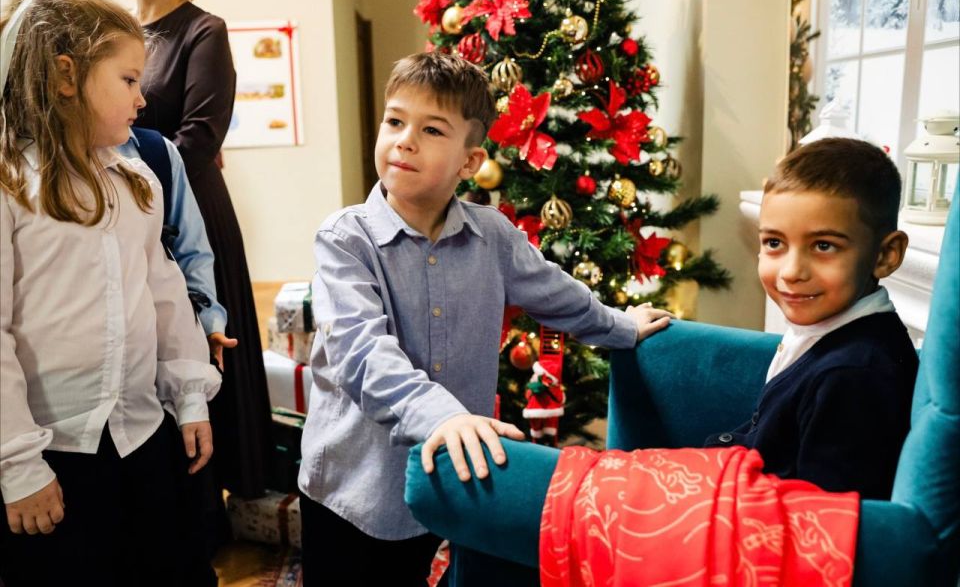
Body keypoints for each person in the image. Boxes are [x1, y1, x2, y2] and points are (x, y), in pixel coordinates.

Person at [299, 51, 674, 587]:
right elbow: (360, 354)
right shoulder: (345, 239)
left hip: (445, 478)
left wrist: (621, 326)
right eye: (395, 121)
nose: (405, 140)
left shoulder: (492, 236)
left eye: (432, 130)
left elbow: (559, 297)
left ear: (470, 161)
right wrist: (442, 417)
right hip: (353, 489)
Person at [0, 0, 220, 587]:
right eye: (128, 80)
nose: (142, 98)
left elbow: (165, 294)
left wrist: (190, 395)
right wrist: (18, 466)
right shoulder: (11, 186)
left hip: (141, 433)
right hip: (53, 452)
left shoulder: (135, 181)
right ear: (66, 76)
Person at [123, 0, 273, 502]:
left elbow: (201, 136)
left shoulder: (203, 30)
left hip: (191, 209)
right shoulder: (113, 27)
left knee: (202, 343)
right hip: (124, 213)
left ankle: (215, 492)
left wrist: (127, 183)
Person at [705, 137, 918, 500]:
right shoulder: (827, 329)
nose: (791, 272)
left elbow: (822, 518)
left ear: (885, 255)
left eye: (823, 246)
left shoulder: (853, 376)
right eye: (774, 243)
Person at [117, 127, 237, 369]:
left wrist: (208, 322)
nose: (141, 106)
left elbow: (192, 249)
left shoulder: (157, 152)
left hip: (162, 347)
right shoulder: (47, 163)